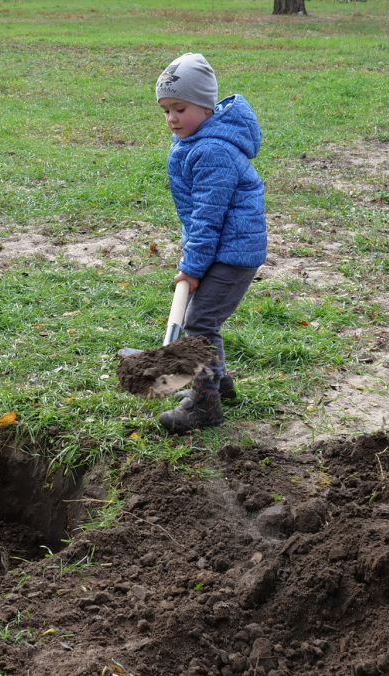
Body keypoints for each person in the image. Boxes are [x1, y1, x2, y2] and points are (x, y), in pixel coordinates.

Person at [154, 53, 267, 433]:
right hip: (221, 247)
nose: (171, 118)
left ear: (206, 107)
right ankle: (220, 382)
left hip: (232, 254)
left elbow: (208, 216)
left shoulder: (212, 151)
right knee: (201, 321)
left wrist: (193, 266)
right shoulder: (193, 139)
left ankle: (204, 403)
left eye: (180, 108)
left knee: (199, 323)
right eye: (166, 109)